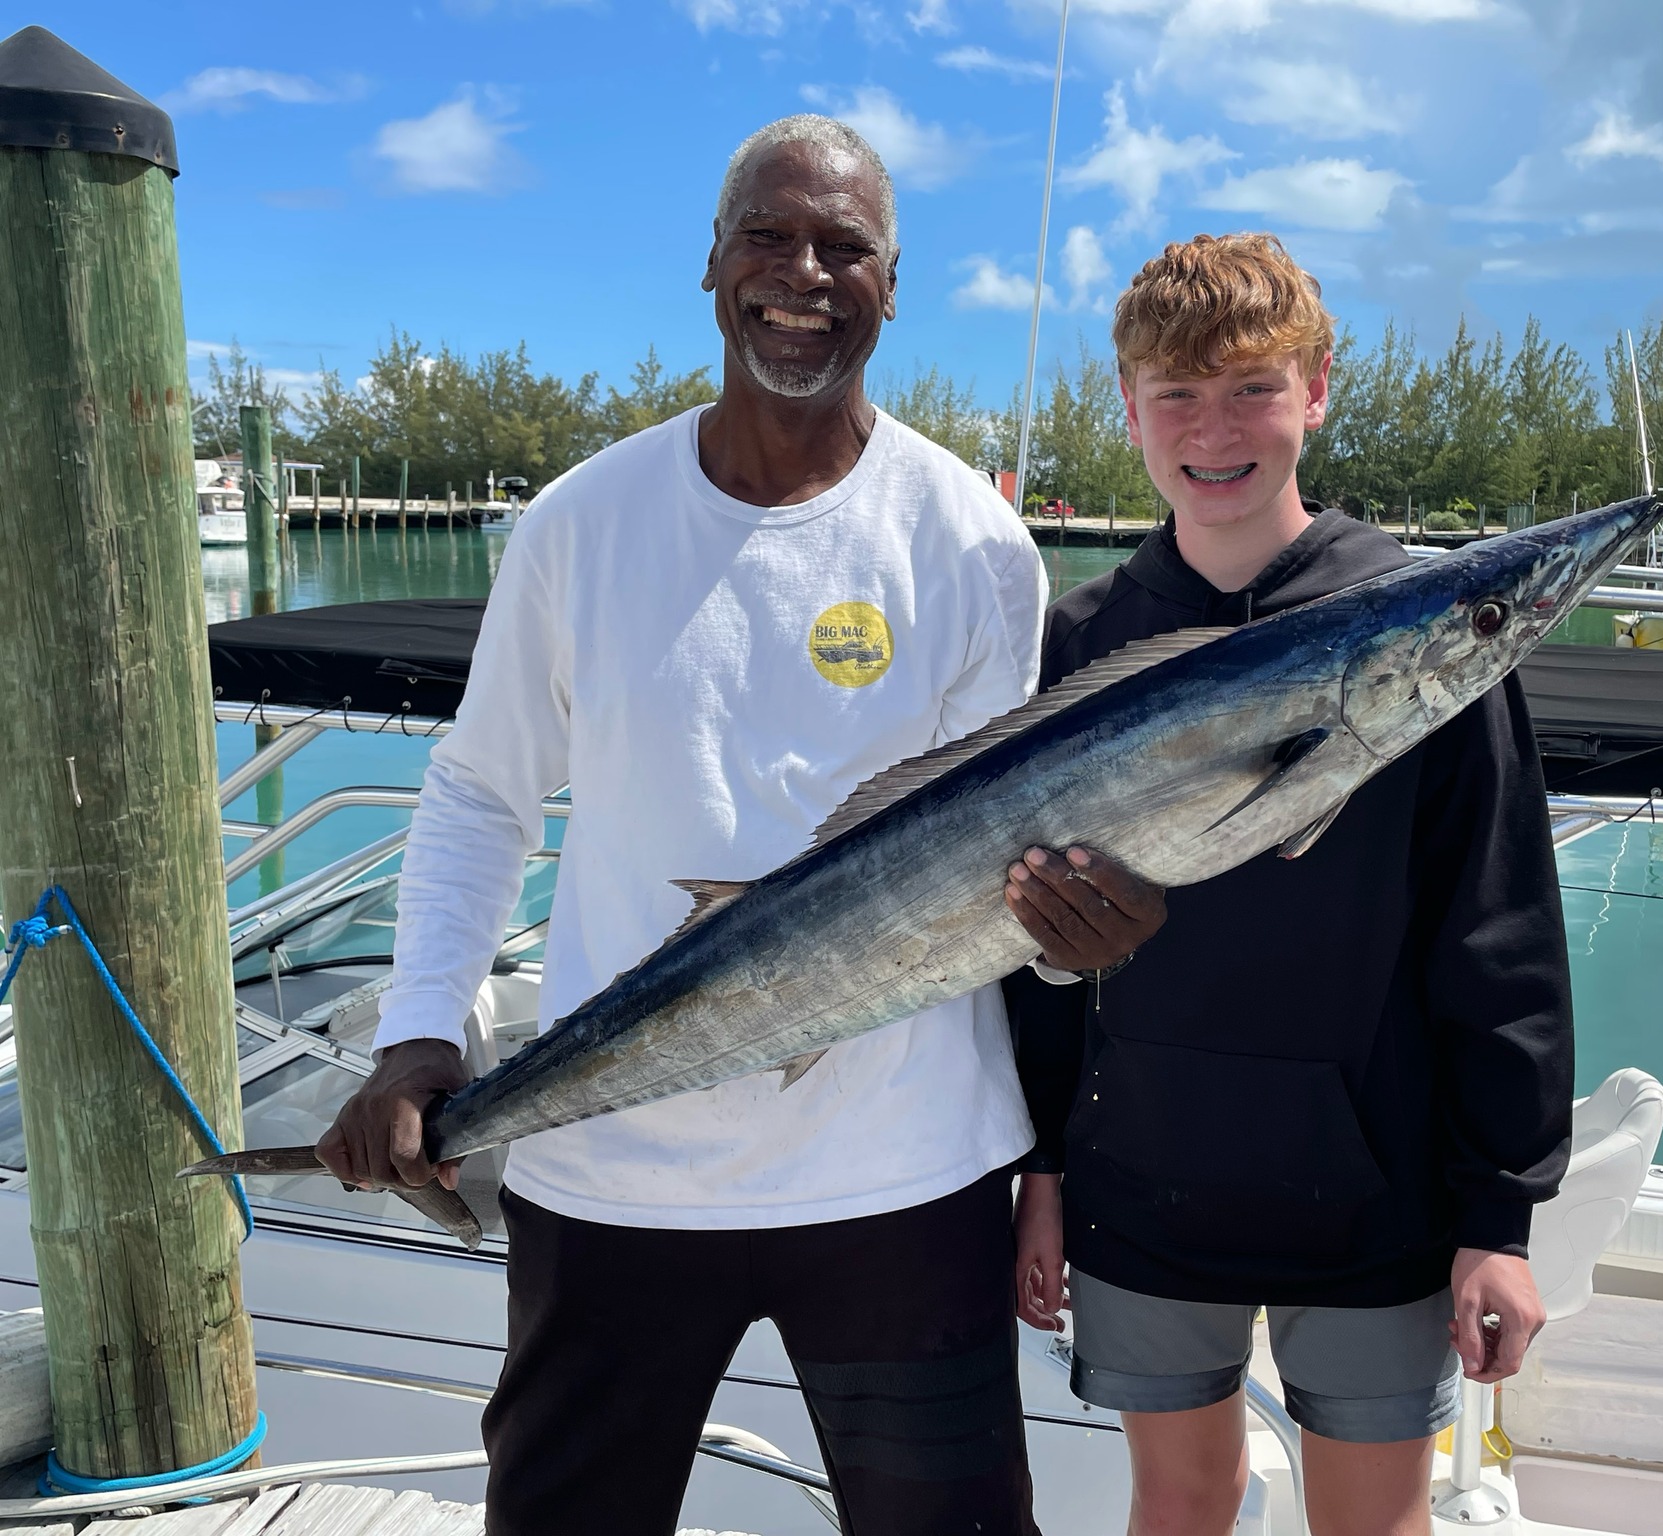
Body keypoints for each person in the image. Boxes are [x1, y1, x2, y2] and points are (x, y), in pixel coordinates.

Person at [315, 115, 1162, 1536]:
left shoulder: (971, 541)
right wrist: (419, 1032)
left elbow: (1004, 868)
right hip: (609, 1170)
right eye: (768, 236)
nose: (803, 274)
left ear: (893, 284)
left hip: (907, 1174)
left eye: (844, 246)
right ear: (710, 261)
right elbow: (480, 790)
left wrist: (1080, 944)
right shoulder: (580, 524)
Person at [1006, 233, 1573, 1536]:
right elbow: (1029, 942)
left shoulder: (1430, 625)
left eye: (1252, 388)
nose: (1214, 430)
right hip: (1141, 1176)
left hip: (1379, 1191)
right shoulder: (1081, 639)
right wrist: (1040, 1168)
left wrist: (1498, 1219)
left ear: (1315, 391)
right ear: (1129, 406)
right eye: (1177, 393)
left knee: (1372, 1522)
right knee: (1180, 1502)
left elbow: (1498, 929)